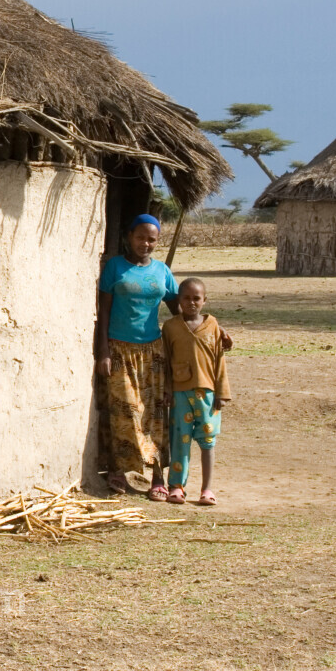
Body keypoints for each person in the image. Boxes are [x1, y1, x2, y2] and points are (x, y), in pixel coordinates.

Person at [96, 214, 179, 500]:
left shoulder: (162, 272)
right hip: (119, 349)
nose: (146, 243)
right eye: (141, 237)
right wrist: (103, 350)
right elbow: (103, 311)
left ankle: (157, 477)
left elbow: (180, 308)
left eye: (152, 239)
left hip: (152, 352)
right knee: (123, 411)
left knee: (155, 413)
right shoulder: (115, 268)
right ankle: (118, 471)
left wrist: (208, 329)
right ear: (129, 237)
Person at [161, 278, 232, 505]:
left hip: (208, 394)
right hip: (180, 394)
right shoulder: (170, 327)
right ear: (178, 300)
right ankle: (176, 487)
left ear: (204, 300)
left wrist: (222, 392)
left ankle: (207, 489)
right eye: (186, 298)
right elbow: (166, 361)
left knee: (207, 440)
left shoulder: (212, 325)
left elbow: (219, 360)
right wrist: (167, 390)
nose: (191, 303)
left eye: (196, 298)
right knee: (179, 440)